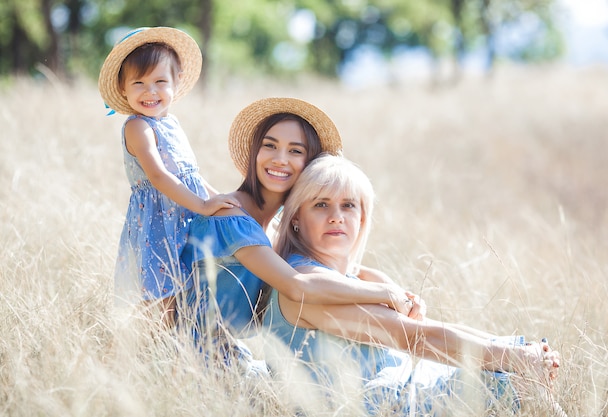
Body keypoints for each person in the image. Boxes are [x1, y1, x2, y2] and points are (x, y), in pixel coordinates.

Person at [262, 154, 562, 416]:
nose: (337, 217)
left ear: (362, 217)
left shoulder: (355, 277)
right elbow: (415, 338)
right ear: (296, 219)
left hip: (396, 392)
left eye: (348, 205)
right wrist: (516, 359)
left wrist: (515, 349)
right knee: (516, 379)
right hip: (365, 407)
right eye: (321, 204)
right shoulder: (304, 282)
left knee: (514, 365)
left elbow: (429, 325)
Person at [179, 98, 416, 368]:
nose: (280, 159)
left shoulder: (277, 227)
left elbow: (340, 271)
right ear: (255, 151)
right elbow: (297, 285)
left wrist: (392, 288)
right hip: (192, 363)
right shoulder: (231, 218)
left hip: (228, 359)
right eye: (269, 146)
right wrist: (383, 293)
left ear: (310, 165)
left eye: (295, 151)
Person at [98, 27, 239, 326]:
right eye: (139, 83)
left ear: (176, 82)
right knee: (160, 304)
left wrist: (216, 199)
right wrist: (202, 206)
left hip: (183, 218)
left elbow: (190, 177)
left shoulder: (172, 123)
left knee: (188, 296)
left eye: (160, 81)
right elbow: (159, 177)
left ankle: (180, 354)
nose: (150, 91)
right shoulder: (137, 127)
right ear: (123, 89)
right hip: (158, 226)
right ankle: (136, 358)